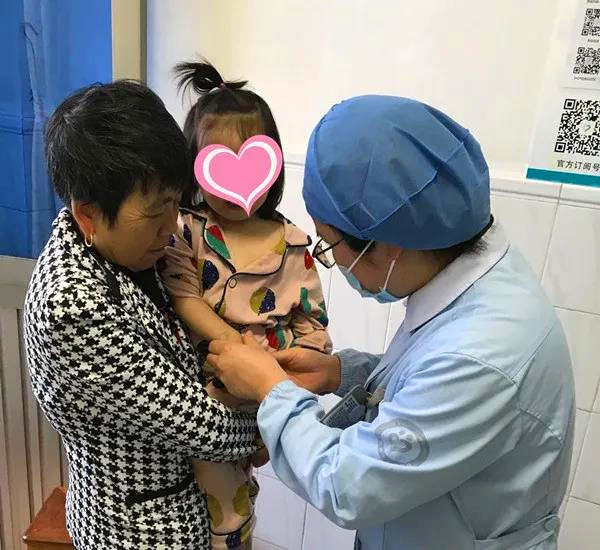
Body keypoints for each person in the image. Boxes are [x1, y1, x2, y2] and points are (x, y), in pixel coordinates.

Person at [205, 95, 575, 549]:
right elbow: (426, 372)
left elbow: (346, 486)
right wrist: (342, 372)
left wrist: (270, 390)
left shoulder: (482, 354)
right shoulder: (471, 282)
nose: (333, 261)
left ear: (388, 246)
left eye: (329, 245)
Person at [24, 80, 258, 549]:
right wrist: (280, 415)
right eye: (154, 213)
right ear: (88, 215)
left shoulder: (130, 252)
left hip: (199, 506)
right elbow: (206, 427)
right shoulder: (71, 306)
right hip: (142, 532)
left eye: (175, 203)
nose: (171, 227)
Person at [162, 60, 332, 550]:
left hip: (264, 398)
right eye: (219, 162)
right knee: (219, 508)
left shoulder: (293, 244)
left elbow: (313, 326)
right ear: (195, 166)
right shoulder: (186, 230)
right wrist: (239, 348)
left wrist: (276, 390)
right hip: (199, 400)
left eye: (250, 159)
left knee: (239, 497)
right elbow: (182, 296)